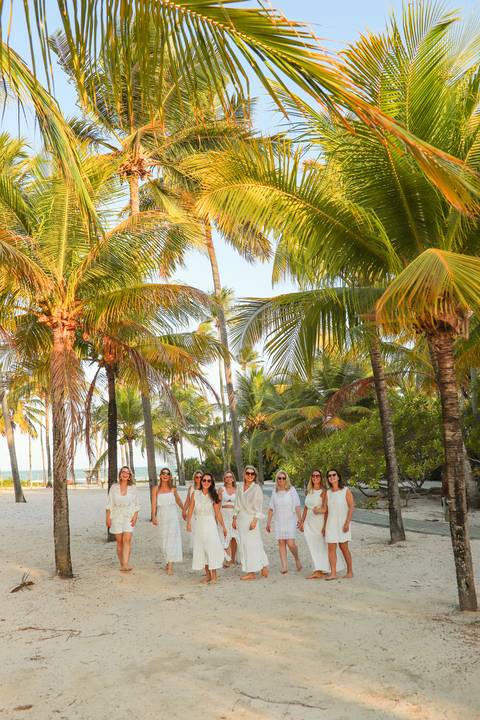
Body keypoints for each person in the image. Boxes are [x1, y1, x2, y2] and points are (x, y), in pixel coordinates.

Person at [299, 469, 345, 579]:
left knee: (321, 546)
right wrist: (302, 521)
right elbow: (305, 507)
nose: (315, 478)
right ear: (311, 477)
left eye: (318, 476)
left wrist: (325, 526)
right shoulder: (309, 491)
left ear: (321, 478)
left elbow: (326, 510)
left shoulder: (324, 492)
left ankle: (321, 570)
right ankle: (319, 569)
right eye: (313, 476)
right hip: (308, 523)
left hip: (319, 522)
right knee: (312, 546)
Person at [187, 472, 227, 584]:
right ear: (201, 481)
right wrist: (188, 523)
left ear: (211, 483)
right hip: (198, 524)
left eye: (208, 481)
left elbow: (218, 513)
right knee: (201, 549)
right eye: (204, 480)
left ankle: (214, 576)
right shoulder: (195, 493)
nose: (206, 482)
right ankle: (208, 575)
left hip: (210, 524)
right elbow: (190, 509)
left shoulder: (213, 495)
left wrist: (224, 527)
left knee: (211, 548)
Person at [232, 465, 269, 581]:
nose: (249, 476)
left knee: (253, 544)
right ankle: (263, 565)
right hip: (241, 519)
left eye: (252, 474)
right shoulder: (239, 487)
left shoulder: (256, 488)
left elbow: (259, 507)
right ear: (244, 474)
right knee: (245, 544)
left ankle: (251, 572)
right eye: (247, 473)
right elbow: (237, 504)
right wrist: (234, 518)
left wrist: (254, 521)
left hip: (251, 519)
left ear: (255, 476)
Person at [266, 470, 302, 574]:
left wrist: (300, 519)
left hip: (290, 519)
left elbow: (297, 505)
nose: (281, 480)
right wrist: (268, 523)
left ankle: (297, 558)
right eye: (279, 478)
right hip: (279, 520)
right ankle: (284, 566)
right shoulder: (275, 491)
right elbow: (271, 508)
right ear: (277, 480)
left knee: (290, 543)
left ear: (286, 479)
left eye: (283, 478)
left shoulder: (292, 490)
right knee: (281, 542)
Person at [106, 466, 139, 572]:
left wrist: (135, 516)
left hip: (128, 515)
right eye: (123, 472)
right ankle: (122, 564)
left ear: (129, 476)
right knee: (119, 542)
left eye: (127, 473)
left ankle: (125, 564)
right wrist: (108, 518)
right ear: (120, 474)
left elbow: (136, 504)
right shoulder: (114, 487)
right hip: (116, 516)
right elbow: (109, 503)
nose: (125, 474)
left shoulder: (133, 488)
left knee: (127, 540)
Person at [151, 467, 184, 575]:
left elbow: (178, 500)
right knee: (164, 541)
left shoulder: (173, 488)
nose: (165, 475)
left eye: (167, 474)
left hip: (172, 515)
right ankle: (167, 561)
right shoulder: (155, 488)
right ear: (160, 476)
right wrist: (153, 516)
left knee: (171, 540)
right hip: (162, 516)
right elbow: (154, 504)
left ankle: (170, 566)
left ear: (170, 476)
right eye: (163, 473)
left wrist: (184, 510)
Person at [323, 469, 354, 580]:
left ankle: (350, 571)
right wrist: (324, 526)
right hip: (331, 524)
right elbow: (326, 511)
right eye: (329, 476)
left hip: (343, 523)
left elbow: (351, 507)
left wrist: (347, 523)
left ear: (338, 477)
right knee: (331, 547)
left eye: (334, 475)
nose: (332, 477)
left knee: (343, 547)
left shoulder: (345, 490)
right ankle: (333, 573)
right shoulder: (327, 493)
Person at [218, 470, 239, 566]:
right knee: (225, 535)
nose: (229, 478)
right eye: (227, 477)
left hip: (234, 515)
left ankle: (233, 559)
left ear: (233, 478)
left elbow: (239, 504)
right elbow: (218, 504)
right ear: (225, 479)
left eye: (230, 477)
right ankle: (227, 558)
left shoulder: (237, 489)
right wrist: (217, 516)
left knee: (234, 537)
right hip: (224, 514)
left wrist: (236, 516)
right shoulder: (221, 489)